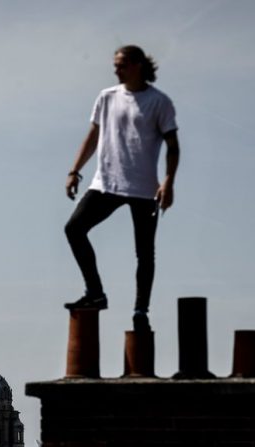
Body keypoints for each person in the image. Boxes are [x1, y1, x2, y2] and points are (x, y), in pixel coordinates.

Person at [63, 45, 180, 332]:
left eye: (122, 64)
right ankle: (95, 292)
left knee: (145, 253)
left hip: (144, 189)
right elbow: (93, 136)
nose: (116, 69)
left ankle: (141, 310)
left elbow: (173, 146)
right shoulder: (106, 97)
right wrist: (75, 170)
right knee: (74, 228)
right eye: (116, 64)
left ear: (138, 65)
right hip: (106, 182)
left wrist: (168, 182)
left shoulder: (159, 102)